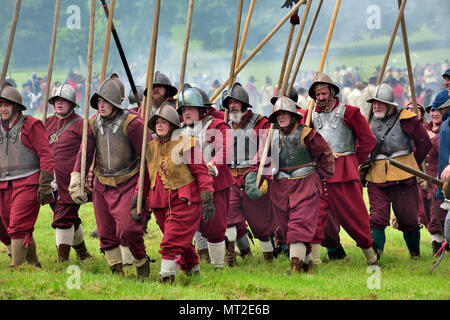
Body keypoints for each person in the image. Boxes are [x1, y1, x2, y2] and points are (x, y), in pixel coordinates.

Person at [69, 78, 149, 278]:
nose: (101, 105)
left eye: (105, 101)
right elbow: (84, 153)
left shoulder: (133, 124)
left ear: (115, 102)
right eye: (98, 102)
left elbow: (146, 159)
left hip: (128, 181)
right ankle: (116, 269)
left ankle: (141, 263)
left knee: (129, 229)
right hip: (102, 185)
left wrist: (140, 190)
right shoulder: (92, 123)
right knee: (105, 233)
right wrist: (77, 178)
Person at [246, 96, 335, 272]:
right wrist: (252, 175)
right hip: (280, 188)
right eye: (278, 114)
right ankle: (307, 263)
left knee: (298, 226)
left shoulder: (307, 134)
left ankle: (295, 268)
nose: (281, 117)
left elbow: (326, 156)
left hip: (305, 185)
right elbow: (260, 161)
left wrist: (319, 176)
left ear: (294, 115)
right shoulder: (271, 136)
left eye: (285, 113)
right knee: (287, 229)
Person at [131, 103, 214, 283]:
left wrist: (207, 197)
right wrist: (137, 200)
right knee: (181, 244)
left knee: (170, 242)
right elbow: (144, 178)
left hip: (185, 203)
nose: (160, 125)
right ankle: (193, 270)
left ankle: (166, 277)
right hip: (159, 204)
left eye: (164, 122)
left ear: (173, 125)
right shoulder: (150, 147)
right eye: (157, 122)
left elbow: (201, 172)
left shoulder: (186, 143)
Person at [306, 72, 379, 266]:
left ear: (332, 92)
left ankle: (371, 257)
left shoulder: (349, 112)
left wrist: (354, 161)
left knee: (355, 216)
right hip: (320, 174)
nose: (320, 98)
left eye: (323, 93)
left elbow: (368, 140)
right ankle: (314, 261)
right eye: (317, 95)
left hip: (344, 173)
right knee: (315, 216)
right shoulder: (309, 117)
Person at [365, 82, 432, 259]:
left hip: (404, 178)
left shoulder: (406, 118)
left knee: (408, 220)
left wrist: (412, 165)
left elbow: (425, 143)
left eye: (380, 102)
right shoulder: (368, 120)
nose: (376, 106)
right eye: (374, 102)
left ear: (389, 104)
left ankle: (415, 254)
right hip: (376, 176)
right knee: (377, 218)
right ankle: (375, 255)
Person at [176, 84, 234, 270]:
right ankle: (200, 258)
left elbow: (225, 149)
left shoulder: (218, 126)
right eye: (183, 109)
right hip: (189, 184)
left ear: (202, 109)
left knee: (215, 227)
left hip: (215, 184)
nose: (186, 112)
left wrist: (213, 165)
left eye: (190, 108)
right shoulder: (178, 130)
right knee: (192, 223)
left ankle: (218, 265)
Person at [0, 82, 55, 270]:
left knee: (17, 226)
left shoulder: (31, 125)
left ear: (16, 106)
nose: (3, 109)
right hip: (3, 186)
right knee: (13, 227)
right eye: (0, 105)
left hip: (28, 183)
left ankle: (17, 267)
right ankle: (35, 265)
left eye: (6, 105)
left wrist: (45, 184)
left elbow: (46, 155)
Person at [224, 83, 276, 265]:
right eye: (229, 102)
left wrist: (255, 173)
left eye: (236, 102)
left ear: (245, 104)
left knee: (260, 223)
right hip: (230, 178)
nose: (232, 106)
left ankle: (269, 258)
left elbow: (265, 150)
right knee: (229, 218)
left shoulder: (261, 123)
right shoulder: (225, 125)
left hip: (253, 176)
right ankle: (230, 256)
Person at [45, 83, 91, 262]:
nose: (59, 103)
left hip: (70, 181)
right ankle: (82, 253)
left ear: (71, 103)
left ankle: (62, 260)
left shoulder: (81, 124)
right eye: (57, 100)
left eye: (63, 100)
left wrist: (84, 176)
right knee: (68, 216)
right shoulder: (47, 122)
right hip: (51, 181)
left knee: (63, 217)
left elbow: (88, 152)